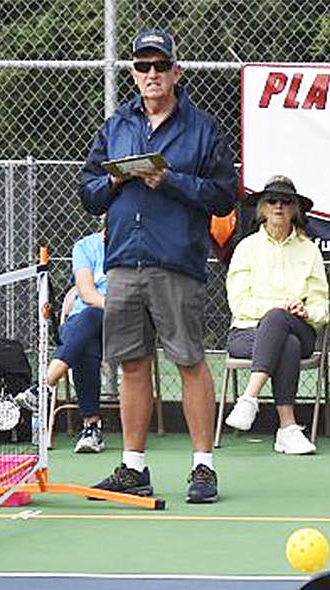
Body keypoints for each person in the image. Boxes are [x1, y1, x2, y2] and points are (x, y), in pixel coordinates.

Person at [79, 28, 237, 503]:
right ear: (133, 73)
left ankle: (203, 467)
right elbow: (88, 190)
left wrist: (167, 179)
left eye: (160, 66)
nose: (152, 74)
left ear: (176, 72)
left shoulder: (204, 128)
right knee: (131, 364)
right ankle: (133, 468)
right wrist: (115, 179)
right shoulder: (116, 126)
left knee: (189, 361)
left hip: (177, 261)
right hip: (124, 260)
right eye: (143, 67)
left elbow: (224, 195)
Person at [223, 175, 329, 455]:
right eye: (272, 201)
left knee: (281, 324)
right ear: (262, 208)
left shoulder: (310, 250)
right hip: (247, 333)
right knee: (285, 339)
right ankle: (287, 428)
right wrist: (279, 306)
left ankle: (249, 397)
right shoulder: (246, 248)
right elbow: (239, 303)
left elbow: (322, 308)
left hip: (300, 327)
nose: (279, 206)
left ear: (295, 209)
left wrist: (305, 310)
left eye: (286, 201)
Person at [15, 224, 108, 453]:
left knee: (87, 322)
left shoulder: (134, 247)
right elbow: (86, 293)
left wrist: (117, 307)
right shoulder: (85, 247)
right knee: (86, 335)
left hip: (121, 323)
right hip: (84, 323)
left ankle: (43, 386)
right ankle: (91, 430)